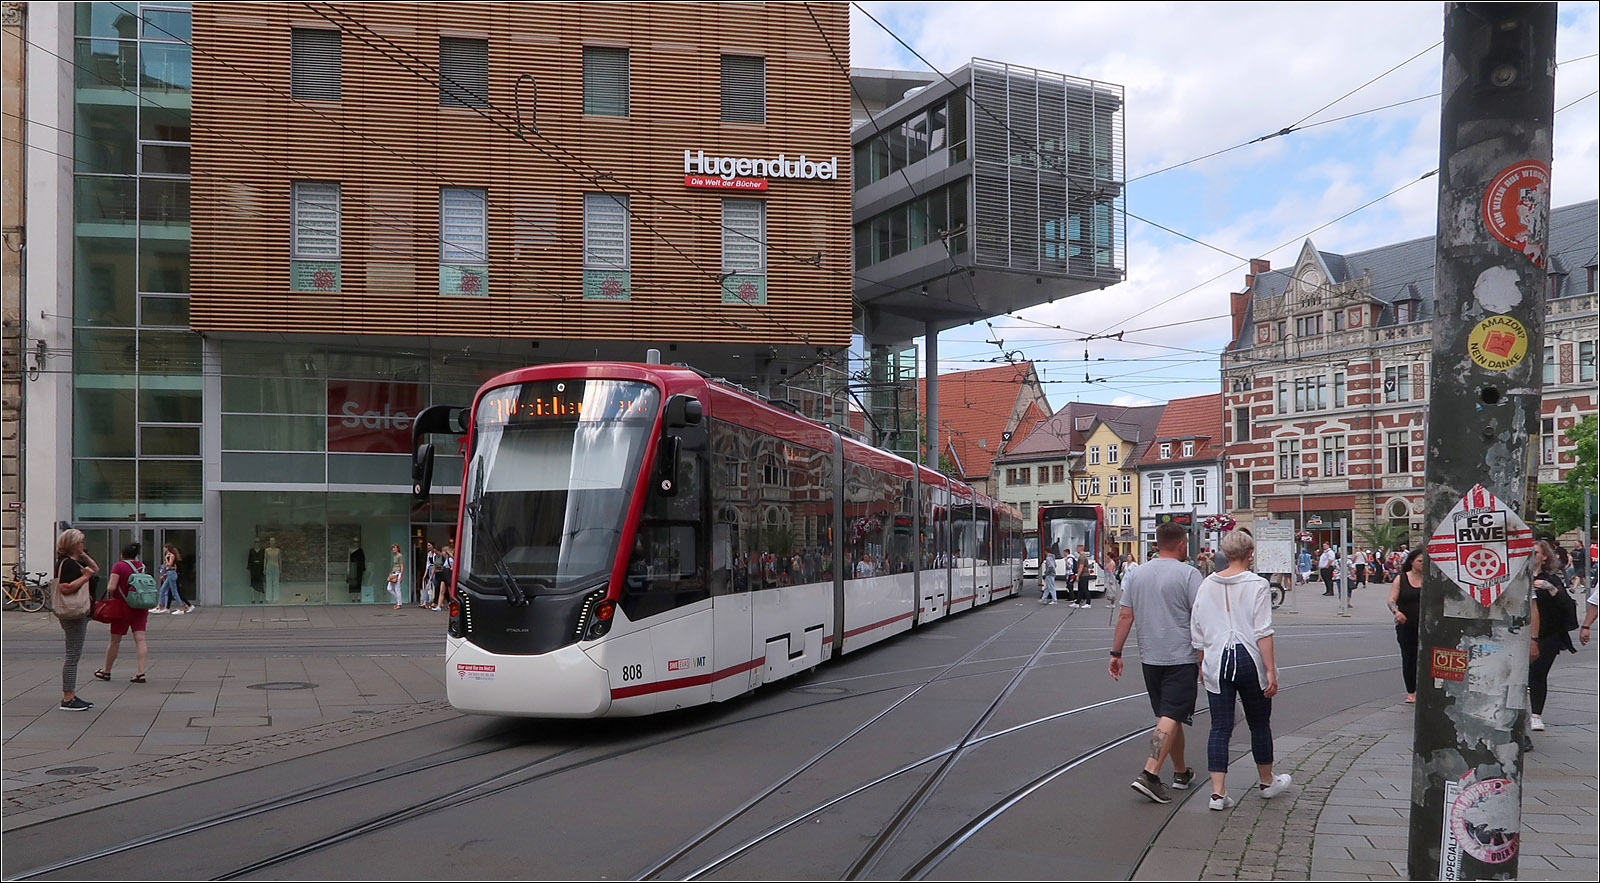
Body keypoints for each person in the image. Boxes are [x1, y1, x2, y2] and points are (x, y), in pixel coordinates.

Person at [1190, 529, 1291, 810]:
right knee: (1259, 722)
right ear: (1250, 554)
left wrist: (1202, 663)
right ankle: (1267, 782)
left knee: (1220, 727)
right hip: (1248, 659)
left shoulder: (1206, 585)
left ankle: (1217, 793)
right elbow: (1263, 631)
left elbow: (1197, 628)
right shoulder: (1257, 584)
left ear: (1224, 553)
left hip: (1217, 659)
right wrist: (1269, 671)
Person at [1110, 521, 1202, 804]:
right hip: (1181, 656)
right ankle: (1150, 773)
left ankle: (1181, 772)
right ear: (1182, 544)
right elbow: (1199, 617)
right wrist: (1204, 657)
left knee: (1170, 715)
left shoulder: (1137, 574)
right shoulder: (1189, 574)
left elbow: (1125, 616)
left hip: (1150, 658)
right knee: (1171, 715)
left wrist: (1116, 653)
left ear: (1157, 544)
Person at [1528, 540, 1577, 732]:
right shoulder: (1519, 579)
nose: (1531, 556)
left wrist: (1551, 588)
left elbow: (1567, 606)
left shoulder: (1551, 579)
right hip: (1521, 634)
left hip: (1547, 634)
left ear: (1544, 557)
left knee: (1538, 674)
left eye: (1536, 553)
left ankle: (1536, 715)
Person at [53, 529, 100, 712]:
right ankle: (68, 698)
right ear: (72, 544)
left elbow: (95, 569)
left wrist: (84, 556)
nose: (83, 545)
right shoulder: (67, 564)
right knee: (72, 656)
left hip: (79, 613)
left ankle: (70, 695)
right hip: (73, 613)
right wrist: (85, 577)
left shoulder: (73, 561)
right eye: (80, 542)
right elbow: (65, 588)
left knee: (74, 654)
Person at [95, 542, 152, 684]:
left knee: (115, 641)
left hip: (121, 608)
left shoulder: (119, 566)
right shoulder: (142, 567)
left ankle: (107, 671)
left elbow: (111, 587)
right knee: (140, 639)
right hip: (140, 606)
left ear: (122, 554)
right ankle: (140, 672)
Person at [1387, 548, 1425, 703]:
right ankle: (1411, 691)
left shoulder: (1432, 579)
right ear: (1412, 562)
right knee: (1409, 657)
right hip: (1407, 625)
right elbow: (1391, 600)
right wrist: (1396, 612)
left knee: (1428, 657)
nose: (1423, 564)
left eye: (1426, 561)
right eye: (1420, 561)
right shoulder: (1401, 578)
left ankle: (1427, 689)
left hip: (1427, 626)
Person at [153, 543, 195, 615]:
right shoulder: (169, 555)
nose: (163, 549)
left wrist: (166, 559)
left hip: (171, 574)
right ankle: (159, 607)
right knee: (162, 590)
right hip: (169, 573)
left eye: (164, 548)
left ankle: (181, 607)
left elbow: (170, 564)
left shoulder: (171, 555)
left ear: (167, 548)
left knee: (174, 592)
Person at [432, 543, 454, 610]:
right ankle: (439, 606)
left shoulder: (450, 559)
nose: (442, 553)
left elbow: (452, 568)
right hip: (444, 576)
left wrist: (447, 569)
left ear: (446, 552)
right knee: (441, 591)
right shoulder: (446, 559)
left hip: (448, 576)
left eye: (443, 551)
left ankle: (451, 604)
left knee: (450, 592)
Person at [1073, 544, 1093, 609]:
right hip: (1084, 574)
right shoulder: (1083, 556)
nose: (1076, 549)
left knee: (1084, 589)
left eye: (1077, 548)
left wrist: (1078, 575)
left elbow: (1081, 567)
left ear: (1080, 549)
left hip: (1083, 575)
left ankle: (1088, 603)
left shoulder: (1082, 557)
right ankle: (1077, 602)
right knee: (1080, 589)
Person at [387, 543, 405, 609]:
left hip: (398, 573)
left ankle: (399, 604)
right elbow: (394, 565)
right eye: (393, 548)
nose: (393, 549)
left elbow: (402, 566)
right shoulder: (394, 556)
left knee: (397, 589)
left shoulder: (400, 556)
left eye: (395, 548)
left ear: (398, 548)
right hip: (393, 573)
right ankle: (398, 601)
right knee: (389, 588)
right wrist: (391, 573)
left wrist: (401, 576)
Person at [247, 537, 265, 603]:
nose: (257, 543)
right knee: (252, 583)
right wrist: (249, 568)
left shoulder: (262, 550)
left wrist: (264, 568)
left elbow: (264, 559)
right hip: (253, 569)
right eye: (256, 542)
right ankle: (253, 599)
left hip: (260, 569)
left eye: (258, 542)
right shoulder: (251, 550)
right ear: (254, 543)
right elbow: (249, 560)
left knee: (261, 583)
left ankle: (260, 599)